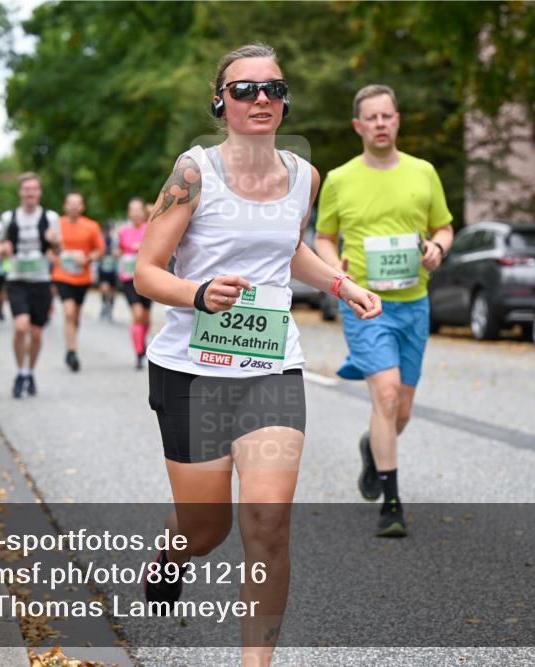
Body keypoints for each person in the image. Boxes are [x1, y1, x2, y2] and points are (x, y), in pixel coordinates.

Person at [134, 44, 380, 667]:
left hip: (271, 366)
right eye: (244, 90)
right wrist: (198, 293)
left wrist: (340, 284)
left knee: (267, 524)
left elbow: (288, 248)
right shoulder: (193, 173)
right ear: (221, 102)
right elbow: (144, 271)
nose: (261, 99)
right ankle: (172, 551)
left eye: (272, 88)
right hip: (191, 370)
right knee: (206, 529)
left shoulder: (304, 175)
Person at [314, 84, 454, 538]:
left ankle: (373, 451)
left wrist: (436, 248)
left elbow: (444, 227)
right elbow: (322, 238)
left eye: (387, 116)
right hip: (364, 303)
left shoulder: (423, 172)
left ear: (397, 120)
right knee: (387, 394)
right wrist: (336, 268)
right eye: (371, 117)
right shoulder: (338, 179)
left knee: (404, 408)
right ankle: (391, 503)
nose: (380, 123)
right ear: (358, 126)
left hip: (414, 302)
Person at [0, 172, 60, 398]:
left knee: (35, 333)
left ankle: (30, 371)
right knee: (20, 327)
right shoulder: (8, 217)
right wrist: (3, 252)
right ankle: (20, 371)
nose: (30, 193)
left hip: (41, 280)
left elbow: (57, 252)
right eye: (26, 189)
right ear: (20, 192)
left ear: (39, 192)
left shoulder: (51, 218)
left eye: (34, 189)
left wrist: (54, 242)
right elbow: (1, 248)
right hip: (16, 278)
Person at [52, 191, 105, 372]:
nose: (74, 206)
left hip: (82, 277)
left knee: (76, 315)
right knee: (68, 312)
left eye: (77, 203)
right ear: (65, 206)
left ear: (82, 206)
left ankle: (70, 345)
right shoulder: (56, 225)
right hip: (62, 275)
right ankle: (73, 352)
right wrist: (54, 257)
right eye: (70, 203)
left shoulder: (91, 226)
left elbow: (99, 250)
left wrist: (88, 259)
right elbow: (49, 249)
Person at [116, 197, 152, 369]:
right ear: (128, 213)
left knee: (145, 318)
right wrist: (119, 254)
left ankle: (142, 340)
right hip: (128, 278)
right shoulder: (122, 231)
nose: (136, 213)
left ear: (144, 212)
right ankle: (138, 352)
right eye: (132, 210)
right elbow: (118, 249)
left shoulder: (150, 228)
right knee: (137, 314)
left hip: (148, 277)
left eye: (139, 209)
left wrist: (143, 247)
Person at [97, 223, 118, 322]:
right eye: (106, 230)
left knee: (112, 291)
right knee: (104, 289)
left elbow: (120, 250)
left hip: (114, 269)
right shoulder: (100, 240)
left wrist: (117, 253)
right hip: (103, 269)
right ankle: (104, 305)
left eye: (109, 230)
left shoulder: (115, 240)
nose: (107, 232)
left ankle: (110, 308)